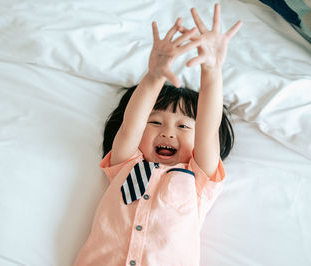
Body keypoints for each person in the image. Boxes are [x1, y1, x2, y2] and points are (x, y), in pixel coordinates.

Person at [74, 4, 242, 266]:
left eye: (183, 126)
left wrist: (211, 71)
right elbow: (131, 125)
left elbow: (208, 133)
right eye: (155, 122)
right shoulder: (124, 164)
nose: (168, 133)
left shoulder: (198, 179)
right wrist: (153, 77)